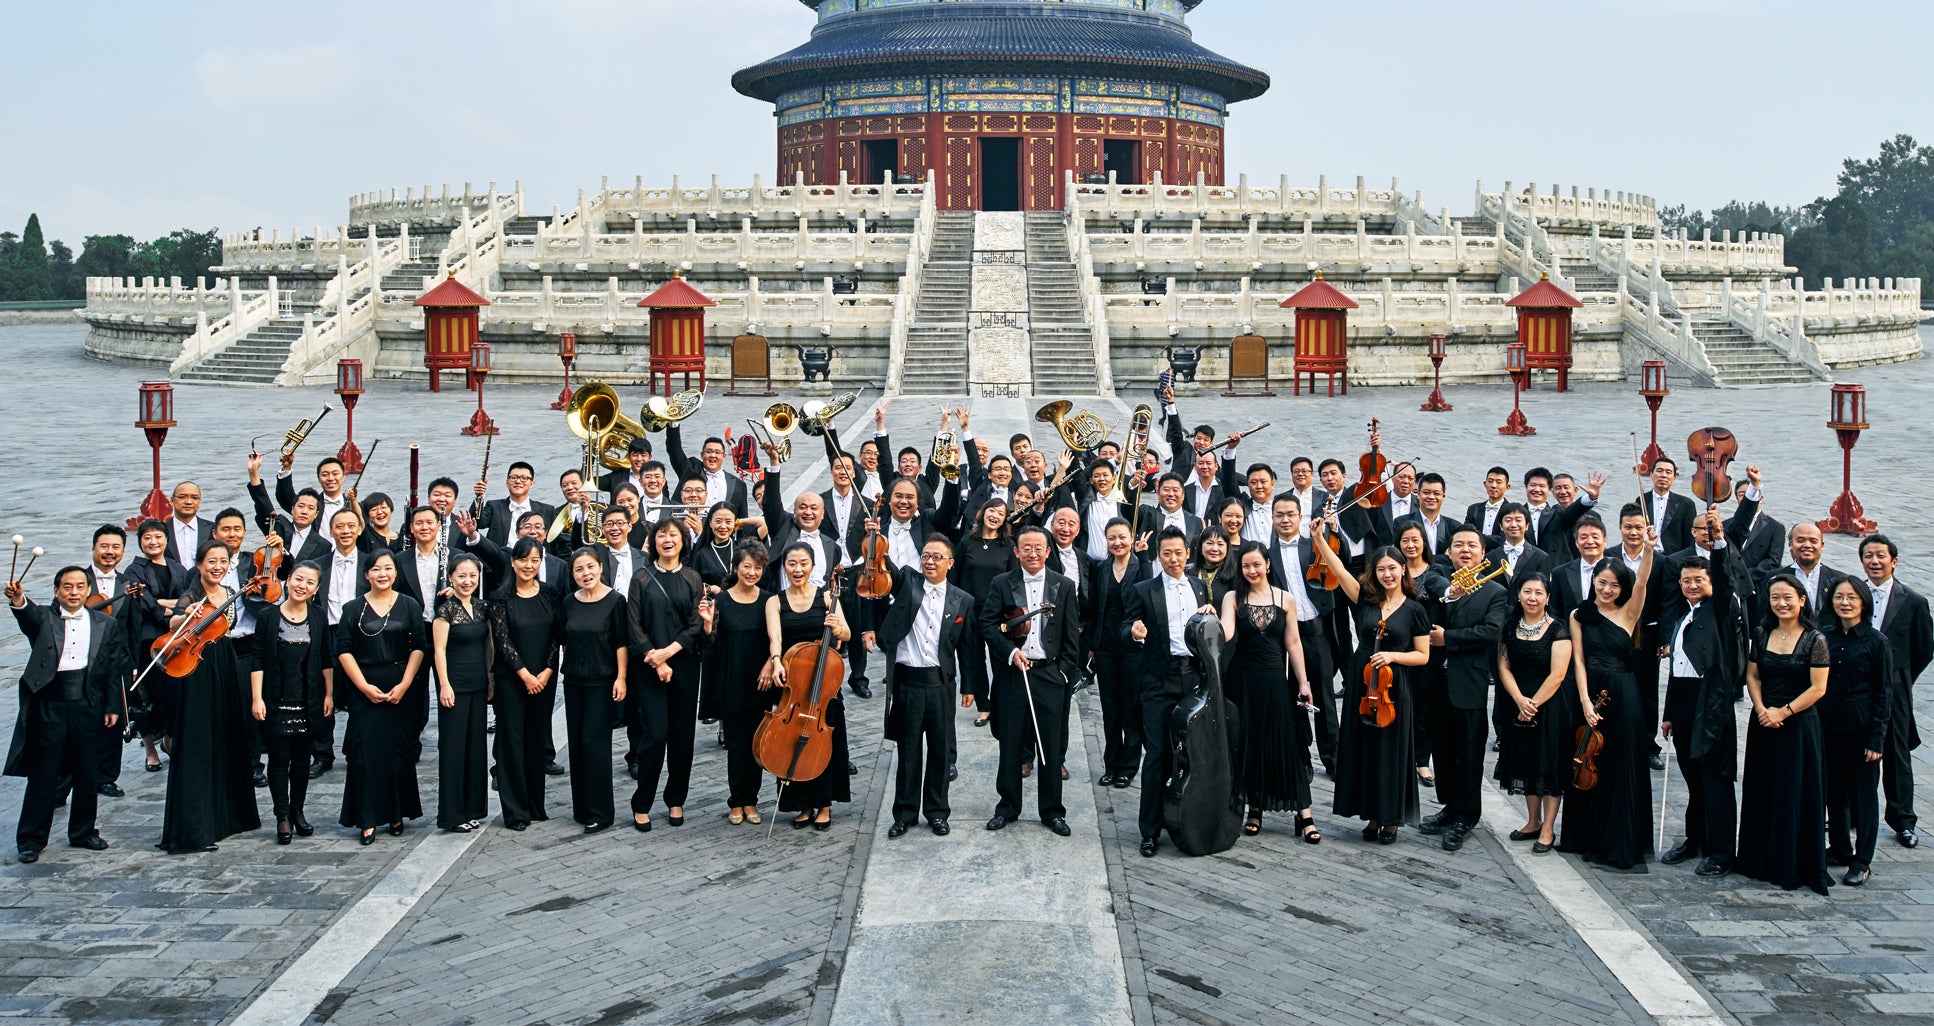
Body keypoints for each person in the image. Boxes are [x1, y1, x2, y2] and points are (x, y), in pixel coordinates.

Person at [5, 567, 130, 862]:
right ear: (56, 592)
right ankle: (31, 839)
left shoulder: (105, 623)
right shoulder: (44, 619)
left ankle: (83, 832)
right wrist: (19, 599)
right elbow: (25, 613)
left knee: (87, 771)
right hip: (50, 703)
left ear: (88, 590)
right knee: (44, 773)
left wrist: (112, 706)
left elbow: (113, 668)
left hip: (88, 703)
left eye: (79, 587)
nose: (73, 592)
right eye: (67, 587)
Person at [1313, 539, 1431, 844]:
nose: (1387, 574)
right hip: (1362, 685)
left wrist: (1393, 656)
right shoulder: (1366, 600)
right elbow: (1338, 570)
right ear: (1374, 573)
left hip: (1393, 687)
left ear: (1403, 570)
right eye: (1381, 569)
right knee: (1364, 749)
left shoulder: (1415, 609)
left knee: (1390, 751)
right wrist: (1319, 541)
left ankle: (1389, 818)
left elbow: (1423, 655)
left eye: (1392, 568)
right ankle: (1372, 814)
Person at [1562, 515, 1657, 871]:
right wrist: (1585, 701)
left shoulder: (1629, 613)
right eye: (1602, 583)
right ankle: (1586, 836)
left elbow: (1644, 581)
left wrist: (1647, 549)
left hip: (1624, 695)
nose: (1607, 590)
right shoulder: (1578, 615)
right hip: (1591, 696)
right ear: (1593, 582)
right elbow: (1580, 662)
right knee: (1588, 762)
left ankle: (1618, 842)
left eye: (1614, 585)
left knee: (1620, 766)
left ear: (1622, 587)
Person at [1657, 510, 1746, 879]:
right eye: (1686, 580)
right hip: (1684, 704)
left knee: (1715, 781)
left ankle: (1722, 851)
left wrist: (1720, 543)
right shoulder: (1683, 618)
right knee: (1693, 779)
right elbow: (1676, 670)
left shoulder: (1722, 609)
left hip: (1712, 705)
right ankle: (1695, 839)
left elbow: (1725, 581)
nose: (1691, 585)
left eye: (1698, 580)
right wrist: (1668, 712)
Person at [159, 541, 262, 853]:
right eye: (210, 562)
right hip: (198, 671)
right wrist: (184, 616)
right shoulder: (192, 595)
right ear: (199, 565)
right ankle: (196, 828)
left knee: (229, 738)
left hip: (226, 665)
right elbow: (174, 621)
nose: (216, 566)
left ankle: (230, 817)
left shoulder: (230, 592)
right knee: (200, 745)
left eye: (222, 561)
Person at [871, 535, 976, 837]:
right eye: (926, 556)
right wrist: (874, 536)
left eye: (937, 557)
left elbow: (968, 649)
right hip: (907, 682)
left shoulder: (962, 600)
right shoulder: (908, 584)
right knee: (908, 752)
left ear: (950, 563)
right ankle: (904, 813)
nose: (930, 561)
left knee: (941, 752)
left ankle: (937, 812)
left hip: (941, 685)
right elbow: (885, 564)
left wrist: (969, 687)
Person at [1121, 527, 1217, 856]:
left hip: (1193, 679)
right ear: (1158, 556)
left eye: (1179, 553)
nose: (1173, 559)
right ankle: (1149, 830)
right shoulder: (1143, 589)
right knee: (1158, 754)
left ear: (1188, 554)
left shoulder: (1199, 587)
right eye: (1167, 554)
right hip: (1158, 682)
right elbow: (1124, 627)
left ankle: (1187, 817)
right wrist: (1133, 631)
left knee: (1191, 753)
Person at [981, 526, 1081, 838]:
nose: (1033, 553)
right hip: (1015, 673)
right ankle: (1007, 806)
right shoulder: (1002, 583)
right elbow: (986, 624)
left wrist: (1063, 672)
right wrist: (1010, 652)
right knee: (1011, 741)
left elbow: (1070, 633)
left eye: (1039, 548)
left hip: (1049, 675)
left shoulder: (1063, 585)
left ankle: (1052, 811)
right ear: (1016, 552)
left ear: (1048, 551)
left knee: (1049, 745)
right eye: (1026, 548)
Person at [1734, 574, 1832, 894]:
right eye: (1775, 597)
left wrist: (1784, 712)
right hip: (1764, 722)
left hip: (1799, 726)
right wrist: (1762, 709)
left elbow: (1819, 688)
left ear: (1802, 600)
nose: (1781, 603)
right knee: (1762, 788)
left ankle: (1790, 862)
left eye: (1788, 597)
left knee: (1794, 792)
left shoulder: (1815, 639)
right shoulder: (1762, 633)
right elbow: (1752, 674)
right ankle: (1758, 860)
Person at [1416, 527, 1509, 853]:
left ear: (1483, 553)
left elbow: (1491, 631)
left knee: (1468, 753)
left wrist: (1449, 640)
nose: (1465, 550)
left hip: (1468, 682)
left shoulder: (1495, 591)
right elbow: (1427, 596)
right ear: (1450, 552)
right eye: (1459, 545)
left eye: (1472, 546)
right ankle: (1449, 807)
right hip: (1434, 682)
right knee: (1441, 749)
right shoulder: (1437, 580)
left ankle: (1466, 816)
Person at [1220, 541, 1315, 839]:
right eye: (1246, 566)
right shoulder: (1233, 597)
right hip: (1243, 681)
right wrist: (1210, 614)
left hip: (1276, 679)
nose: (1251, 570)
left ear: (1267, 565)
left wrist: (1303, 682)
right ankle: (1254, 808)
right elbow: (1227, 632)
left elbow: (1293, 643)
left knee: (1285, 742)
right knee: (1251, 741)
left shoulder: (1286, 598)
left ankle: (1305, 813)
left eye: (1256, 564)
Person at [334, 550, 426, 845]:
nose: (382, 574)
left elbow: (418, 647)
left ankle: (397, 813)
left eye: (388, 569)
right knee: (365, 755)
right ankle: (368, 817)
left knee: (398, 753)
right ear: (367, 574)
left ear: (395, 573)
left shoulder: (409, 605)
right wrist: (362, 687)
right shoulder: (352, 608)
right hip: (364, 688)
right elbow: (344, 650)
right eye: (376, 569)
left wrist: (404, 684)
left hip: (400, 687)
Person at [627, 518, 706, 830]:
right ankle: (642, 802)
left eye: (673, 534)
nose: (667, 539)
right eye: (661, 535)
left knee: (682, 738)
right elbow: (633, 624)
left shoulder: (692, 578)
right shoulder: (642, 578)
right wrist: (656, 659)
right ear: (653, 542)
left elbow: (696, 624)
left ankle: (676, 800)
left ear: (683, 541)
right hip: (649, 669)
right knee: (655, 736)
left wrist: (668, 653)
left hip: (684, 666)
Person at [768, 542, 853, 830]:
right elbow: (775, 640)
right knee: (792, 744)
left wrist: (837, 626)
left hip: (824, 687)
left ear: (812, 566)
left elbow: (847, 633)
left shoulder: (828, 597)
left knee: (825, 744)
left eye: (803, 563)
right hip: (793, 685)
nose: (797, 569)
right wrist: (776, 661)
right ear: (785, 567)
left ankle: (825, 804)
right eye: (792, 563)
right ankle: (802, 806)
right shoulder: (775, 602)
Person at [250, 562, 331, 845]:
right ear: (288, 580)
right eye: (298, 579)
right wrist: (257, 698)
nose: (302, 586)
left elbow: (326, 659)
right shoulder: (268, 617)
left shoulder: (318, 617)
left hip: (307, 698)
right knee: (279, 760)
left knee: (301, 761)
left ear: (316, 589)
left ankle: (297, 811)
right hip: (276, 698)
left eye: (310, 582)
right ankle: (281, 816)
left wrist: (329, 695)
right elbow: (257, 658)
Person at [1493, 574, 1573, 853]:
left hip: (1549, 706)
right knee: (1526, 762)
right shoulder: (1510, 627)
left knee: (1549, 766)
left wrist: (1533, 704)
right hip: (1517, 702)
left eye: (1539, 593)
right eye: (1527, 591)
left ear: (1547, 598)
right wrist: (1518, 700)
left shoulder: (1558, 629)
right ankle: (1532, 821)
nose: (1532, 597)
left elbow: (1558, 674)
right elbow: (1503, 666)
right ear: (1519, 595)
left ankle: (1548, 828)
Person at [1860, 535, 1932, 849]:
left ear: (1894, 561)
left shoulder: (1913, 601)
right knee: (1855, 752)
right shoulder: (1852, 593)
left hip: (1895, 687)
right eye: (1868, 556)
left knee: (1897, 753)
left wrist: (1901, 678)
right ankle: (1851, 815)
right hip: (1857, 686)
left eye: (1880, 556)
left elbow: (1924, 649)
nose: (1874, 561)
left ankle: (1903, 819)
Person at [1821, 578, 1892, 886]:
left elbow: (1883, 693)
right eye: (1839, 597)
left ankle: (1862, 860)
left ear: (1863, 602)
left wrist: (1877, 739)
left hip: (1861, 730)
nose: (1845, 602)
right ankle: (1839, 848)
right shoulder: (1824, 636)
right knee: (1834, 794)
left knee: (1863, 797)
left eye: (1851, 597)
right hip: (1828, 728)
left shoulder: (1876, 642)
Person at [488, 537, 561, 831]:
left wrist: (545, 672)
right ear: (513, 562)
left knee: (535, 740)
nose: (528, 566)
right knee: (512, 743)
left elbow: (556, 636)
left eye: (535, 560)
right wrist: (525, 675)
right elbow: (503, 643)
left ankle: (534, 804)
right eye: (523, 560)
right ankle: (516, 811)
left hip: (544, 679)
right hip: (512, 681)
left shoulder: (550, 593)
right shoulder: (500, 597)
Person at [701, 542, 775, 825]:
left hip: (760, 682)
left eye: (758, 567)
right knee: (736, 744)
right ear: (736, 568)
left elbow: (774, 639)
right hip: (731, 680)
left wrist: (771, 661)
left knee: (756, 745)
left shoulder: (769, 600)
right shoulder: (722, 601)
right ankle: (736, 801)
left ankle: (751, 800)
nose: (752, 572)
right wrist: (707, 626)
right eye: (747, 566)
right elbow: (710, 645)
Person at [1268, 498, 1338, 777]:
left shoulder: (1316, 545)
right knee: (1294, 697)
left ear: (1300, 517)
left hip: (1316, 629)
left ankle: (1333, 758)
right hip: (1287, 634)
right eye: (1279, 515)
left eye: (1290, 515)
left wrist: (1326, 534)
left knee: (1324, 697)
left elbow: (1337, 561)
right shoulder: (1268, 554)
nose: (1285, 520)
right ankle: (1302, 759)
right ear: (1273, 519)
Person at [561, 548, 629, 833]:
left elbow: (621, 642)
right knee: (576, 746)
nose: (585, 574)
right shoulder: (568, 602)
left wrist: (621, 677)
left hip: (602, 682)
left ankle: (602, 812)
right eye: (579, 569)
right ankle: (583, 808)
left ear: (601, 568)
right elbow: (564, 639)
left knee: (594, 744)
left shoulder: (615, 601)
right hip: (574, 681)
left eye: (590, 567)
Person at [1089, 519, 1152, 788]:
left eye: (1122, 537)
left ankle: (1128, 766)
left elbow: (1149, 597)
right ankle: (1111, 764)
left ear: (1131, 538)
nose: (1117, 542)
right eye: (1112, 538)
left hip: (1133, 648)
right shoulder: (1101, 568)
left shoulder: (1141, 566)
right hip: (1105, 647)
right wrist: (1092, 645)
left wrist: (1145, 555)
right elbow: (1094, 607)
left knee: (1131, 709)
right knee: (1110, 709)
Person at [432, 554, 492, 833]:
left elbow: (488, 646)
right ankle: (452, 815)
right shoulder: (445, 611)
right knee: (454, 751)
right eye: (462, 576)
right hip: (454, 686)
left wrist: (490, 679)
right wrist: (444, 684)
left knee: (475, 749)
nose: (467, 581)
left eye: (472, 576)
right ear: (451, 579)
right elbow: (439, 651)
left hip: (478, 685)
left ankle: (472, 808)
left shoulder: (482, 607)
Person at [951, 499, 1015, 730]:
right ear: (982, 512)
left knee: (1000, 659)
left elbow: (1013, 579)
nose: (995, 515)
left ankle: (1000, 703)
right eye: (992, 510)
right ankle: (984, 705)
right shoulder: (967, 541)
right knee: (974, 659)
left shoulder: (1008, 544)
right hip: (970, 610)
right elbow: (955, 573)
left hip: (997, 612)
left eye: (1001, 512)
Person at [124, 519, 181, 772]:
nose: (153, 542)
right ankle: (150, 750)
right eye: (147, 538)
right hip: (147, 640)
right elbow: (144, 602)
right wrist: (169, 611)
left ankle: (171, 738)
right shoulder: (133, 570)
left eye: (158, 537)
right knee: (147, 695)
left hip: (174, 640)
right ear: (140, 542)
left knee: (171, 692)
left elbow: (187, 599)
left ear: (166, 540)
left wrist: (167, 604)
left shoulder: (177, 568)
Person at [82, 525, 133, 797]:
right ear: (93, 548)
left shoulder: (127, 583)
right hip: (82, 663)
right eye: (104, 546)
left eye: (115, 547)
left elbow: (133, 627)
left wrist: (133, 663)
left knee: (114, 719)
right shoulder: (79, 581)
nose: (109, 552)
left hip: (117, 662)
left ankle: (106, 776)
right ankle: (66, 781)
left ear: (123, 551)